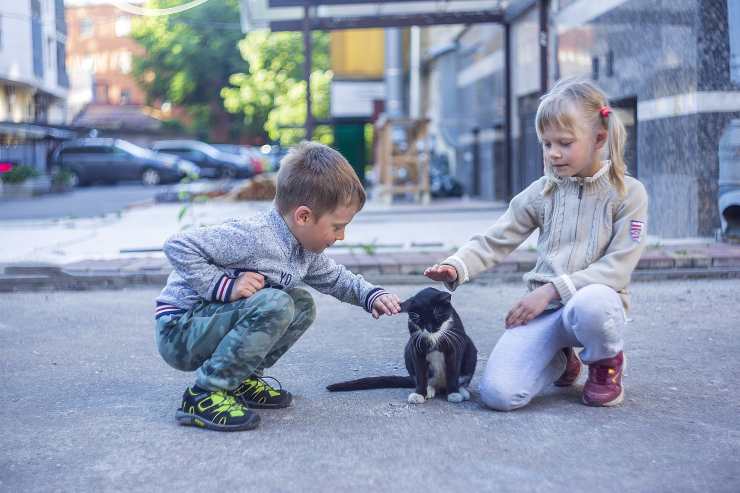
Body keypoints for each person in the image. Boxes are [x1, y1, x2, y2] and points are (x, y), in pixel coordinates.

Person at [425, 77, 648, 410]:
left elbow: (618, 267)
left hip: (594, 308)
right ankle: (560, 359)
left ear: (599, 138)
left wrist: (550, 290)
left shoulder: (628, 193)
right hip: (546, 313)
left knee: (593, 303)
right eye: (546, 144)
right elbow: (496, 238)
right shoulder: (542, 191)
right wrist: (456, 265)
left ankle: (605, 363)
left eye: (565, 143)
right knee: (498, 394)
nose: (553, 153)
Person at [155, 141, 402, 431]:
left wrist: (371, 296)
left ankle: (240, 379)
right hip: (179, 330)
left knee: (301, 304)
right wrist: (224, 286)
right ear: (304, 216)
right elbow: (177, 245)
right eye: (337, 226)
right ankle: (205, 394)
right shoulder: (254, 236)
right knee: (277, 303)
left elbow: (336, 278)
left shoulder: (304, 250)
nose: (342, 235)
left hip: (207, 325)